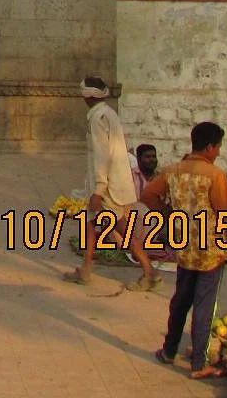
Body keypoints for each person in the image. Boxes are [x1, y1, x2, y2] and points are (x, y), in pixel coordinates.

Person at [143, 121, 227, 379]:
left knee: (180, 301)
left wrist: (168, 214)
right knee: (204, 305)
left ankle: (169, 350)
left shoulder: (173, 170)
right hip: (210, 250)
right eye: (219, 147)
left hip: (184, 247)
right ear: (210, 146)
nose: (219, 153)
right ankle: (199, 364)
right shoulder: (215, 175)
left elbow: (147, 195)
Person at [63, 77, 158, 290]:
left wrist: (98, 189)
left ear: (88, 96)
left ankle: (149, 271)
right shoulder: (108, 113)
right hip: (113, 183)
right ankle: (86, 268)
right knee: (90, 222)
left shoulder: (98, 118)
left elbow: (101, 156)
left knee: (120, 227)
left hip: (107, 186)